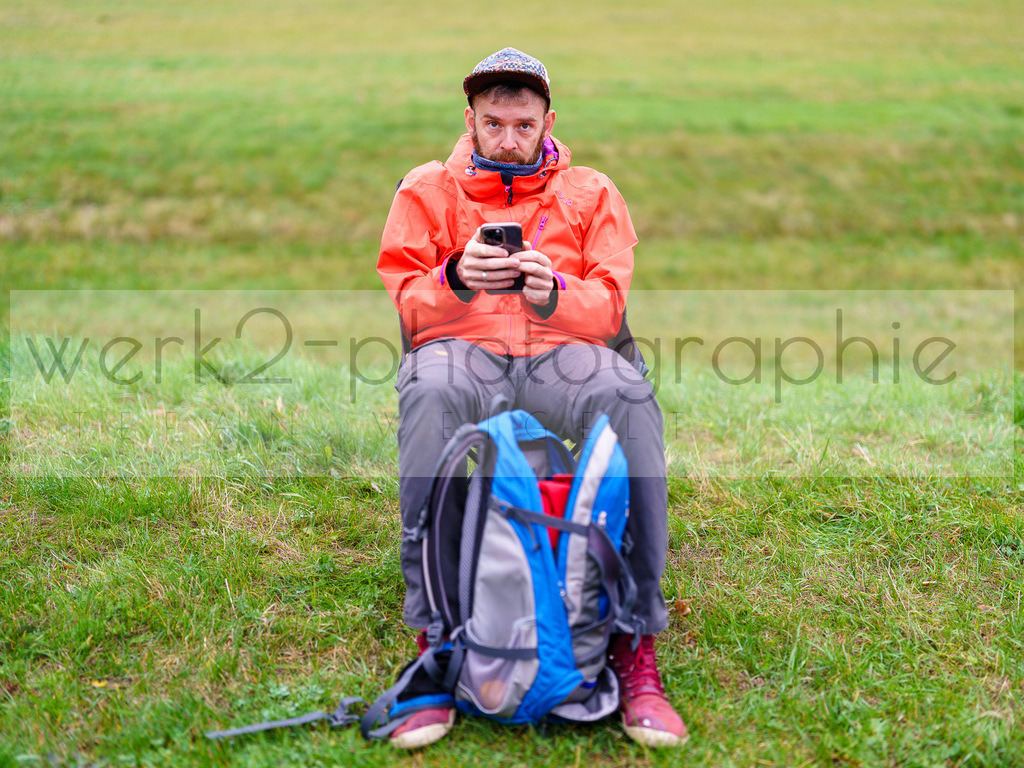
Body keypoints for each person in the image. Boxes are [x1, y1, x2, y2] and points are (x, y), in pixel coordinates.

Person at [376, 47, 686, 750]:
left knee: (629, 394)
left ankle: (636, 641)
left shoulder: (592, 191)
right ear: (470, 121)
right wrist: (456, 275)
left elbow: (609, 309)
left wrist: (558, 295)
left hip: (562, 354)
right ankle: (436, 639)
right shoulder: (425, 190)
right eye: (493, 124)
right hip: (466, 354)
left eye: (523, 124)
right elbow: (410, 311)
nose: (509, 139)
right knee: (429, 386)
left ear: (548, 121)